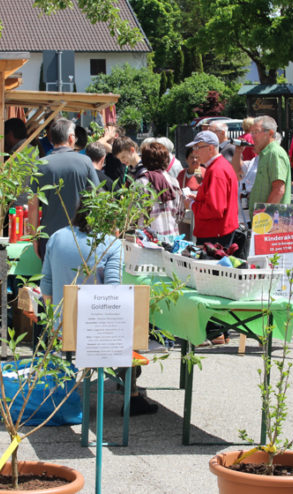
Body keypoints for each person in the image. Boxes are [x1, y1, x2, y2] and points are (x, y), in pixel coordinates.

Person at [40, 198, 157, 416]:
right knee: (135, 326)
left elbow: (45, 288)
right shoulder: (111, 245)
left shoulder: (56, 237)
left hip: (60, 327)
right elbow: (113, 295)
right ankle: (131, 395)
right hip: (94, 332)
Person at [28, 118, 99, 259]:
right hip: (80, 236)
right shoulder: (85, 162)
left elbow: (32, 205)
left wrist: (34, 239)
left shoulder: (40, 165)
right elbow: (96, 198)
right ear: (71, 138)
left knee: (50, 279)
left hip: (49, 237)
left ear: (51, 138)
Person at [189, 131, 239, 248]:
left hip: (214, 235)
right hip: (218, 232)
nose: (195, 152)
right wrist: (198, 198)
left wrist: (191, 205)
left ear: (211, 148)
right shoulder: (218, 166)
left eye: (198, 147)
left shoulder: (216, 170)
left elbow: (216, 209)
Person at [135, 142, 184, 236]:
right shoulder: (174, 182)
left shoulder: (140, 183)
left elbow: (133, 216)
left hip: (149, 241)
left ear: (144, 160)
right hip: (172, 240)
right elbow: (180, 215)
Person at [247, 116, 291, 217]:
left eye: (256, 132)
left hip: (270, 221)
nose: (253, 136)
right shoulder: (265, 153)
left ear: (270, 133)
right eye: (252, 132)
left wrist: (264, 215)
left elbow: (278, 190)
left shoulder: (274, 153)